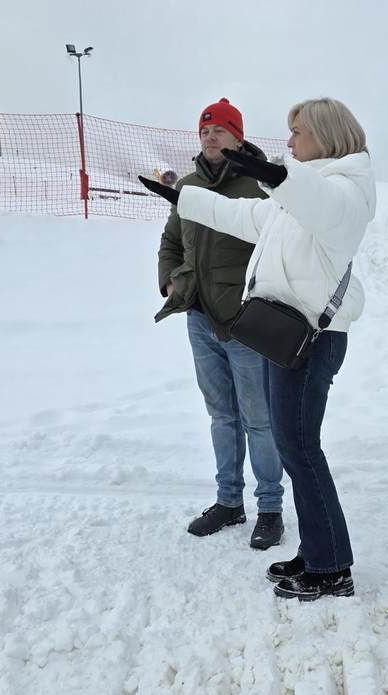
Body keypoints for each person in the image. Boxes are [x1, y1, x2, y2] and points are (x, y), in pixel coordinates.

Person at [140, 97, 374, 600]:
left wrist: (278, 173)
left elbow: (323, 207)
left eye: (297, 132)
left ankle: (332, 567)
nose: (288, 142)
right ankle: (317, 552)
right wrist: (182, 198)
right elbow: (246, 216)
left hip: (311, 339)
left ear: (325, 135)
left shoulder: (349, 189)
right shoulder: (299, 192)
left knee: (301, 451)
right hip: (280, 334)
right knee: (295, 449)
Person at [155, 98, 285, 550]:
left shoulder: (258, 187)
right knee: (221, 415)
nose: (210, 137)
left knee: (260, 419)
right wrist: (171, 283)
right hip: (199, 318)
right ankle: (229, 502)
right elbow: (171, 243)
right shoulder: (188, 187)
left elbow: (280, 247)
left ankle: (270, 508)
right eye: (204, 131)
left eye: (220, 131)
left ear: (238, 136)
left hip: (246, 322)